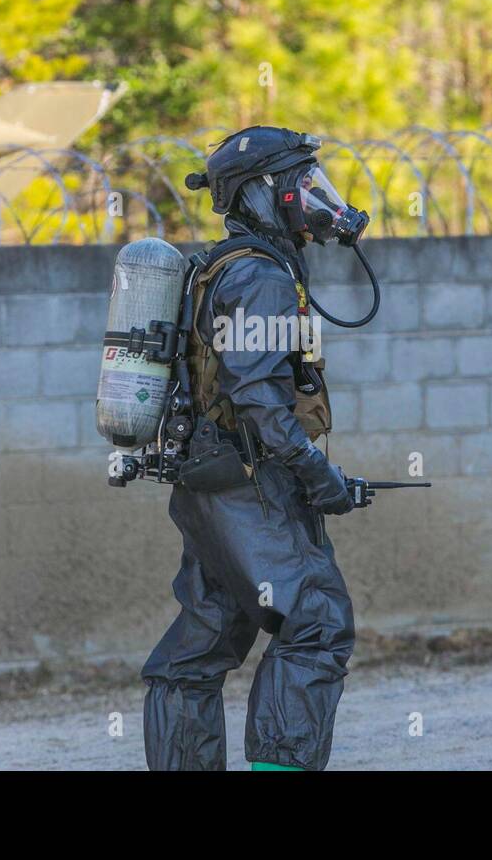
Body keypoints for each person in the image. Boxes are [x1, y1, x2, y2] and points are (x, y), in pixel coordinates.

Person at [142, 126, 367, 771]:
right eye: (304, 184)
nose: (319, 198)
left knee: (202, 641)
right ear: (265, 194)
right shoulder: (262, 277)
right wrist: (317, 475)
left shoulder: (219, 266)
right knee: (317, 623)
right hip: (252, 486)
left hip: (206, 482)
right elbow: (260, 402)